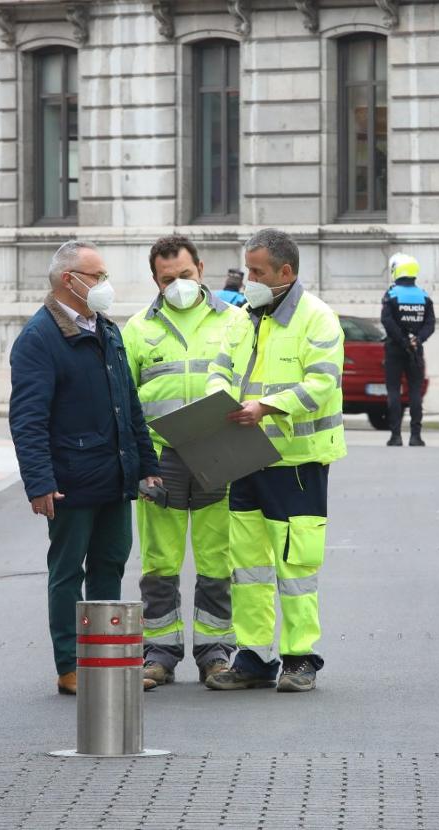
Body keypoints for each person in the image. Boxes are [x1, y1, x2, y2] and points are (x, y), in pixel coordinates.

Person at [8, 240, 163, 697]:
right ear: (67, 281)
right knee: (67, 572)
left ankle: (106, 659)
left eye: (103, 275)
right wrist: (39, 482)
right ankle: (71, 665)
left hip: (114, 477)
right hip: (71, 482)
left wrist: (146, 465)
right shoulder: (39, 338)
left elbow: (128, 405)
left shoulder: (106, 330)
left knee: (110, 565)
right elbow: (27, 419)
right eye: (96, 277)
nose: (104, 285)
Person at [204, 228, 346, 693]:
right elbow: (221, 367)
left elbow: (322, 383)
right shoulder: (245, 317)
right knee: (248, 566)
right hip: (246, 458)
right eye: (248, 270)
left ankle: (299, 657)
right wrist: (215, 401)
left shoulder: (317, 319)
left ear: (285, 272)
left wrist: (267, 407)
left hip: (297, 464)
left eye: (257, 271)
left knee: (295, 567)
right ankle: (254, 656)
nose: (249, 280)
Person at [122, 235, 253, 688]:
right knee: (159, 561)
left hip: (220, 452)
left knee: (219, 558)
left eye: (185, 275)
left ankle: (216, 653)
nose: (178, 284)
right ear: (154, 280)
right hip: (163, 459)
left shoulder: (238, 323)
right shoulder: (137, 330)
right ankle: (158, 654)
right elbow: (124, 403)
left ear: (201, 267)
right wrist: (141, 466)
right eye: (167, 279)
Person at [380, 253, 435, 447]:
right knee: (415, 393)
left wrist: (402, 340)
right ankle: (416, 436)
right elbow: (430, 324)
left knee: (394, 391)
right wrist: (417, 340)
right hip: (416, 350)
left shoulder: (392, 295)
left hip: (395, 349)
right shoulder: (424, 296)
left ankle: (395, 436)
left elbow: (387, 321)